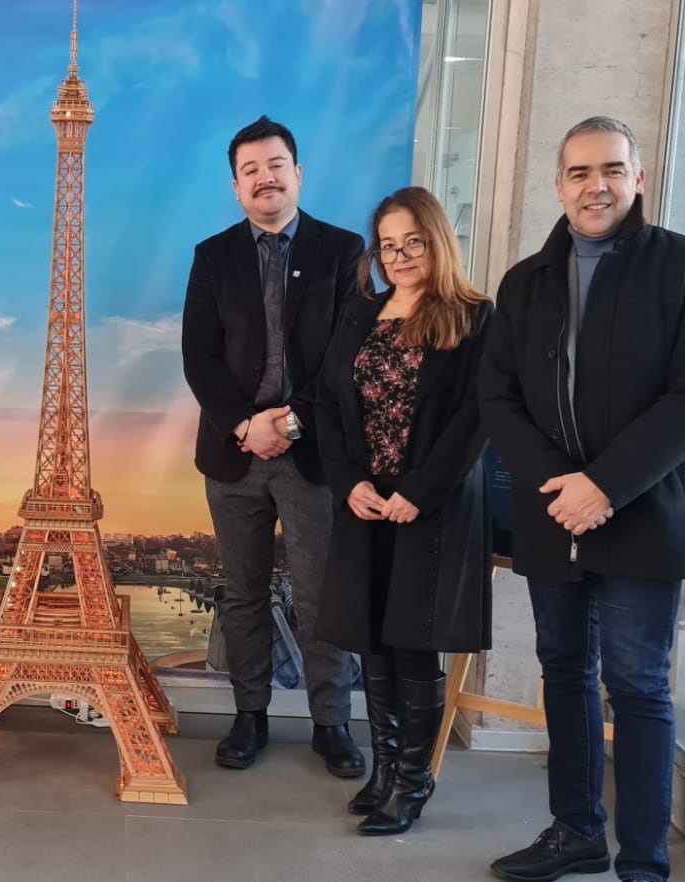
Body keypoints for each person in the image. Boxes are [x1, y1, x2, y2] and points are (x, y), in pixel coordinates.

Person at [480, 116, 685, 882]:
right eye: (580, 172)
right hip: (553, 510)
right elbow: (499, 397)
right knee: (562, 668)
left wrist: (606, 485)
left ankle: (645, 865)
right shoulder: (524, 281)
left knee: (637, 683)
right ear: (557, 186)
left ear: (638, 177)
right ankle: (575, 832)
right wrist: (562, 487)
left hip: (645, 510)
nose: (597, 185)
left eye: (612, 169)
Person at [181, 116, 367, 775]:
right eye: (251, 169)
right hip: (233, 454)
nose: (266, 177)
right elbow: (199, 358)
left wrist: (288, 425)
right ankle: (249, 715)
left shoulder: (344, 252)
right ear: (236, 187)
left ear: (298, 174)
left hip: (313, 452)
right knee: (243, 591)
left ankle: (332, 723)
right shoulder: (212, 256)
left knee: (321, 594)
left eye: (276, 164)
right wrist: (244, 425)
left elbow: (350, 357)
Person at [314, 186, 493, 836]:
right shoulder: (363, 314)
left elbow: (476, 418)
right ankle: (386, 770)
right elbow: (329, 405)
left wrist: (420, 489)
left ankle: (413, 784)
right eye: (388, 244)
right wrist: (348, 482)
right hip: (366, 506)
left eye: (412, 241)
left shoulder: (473, 317)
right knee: (375, 647)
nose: (399, 255)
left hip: (429, 511)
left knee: (413, 648)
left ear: (436, 241)